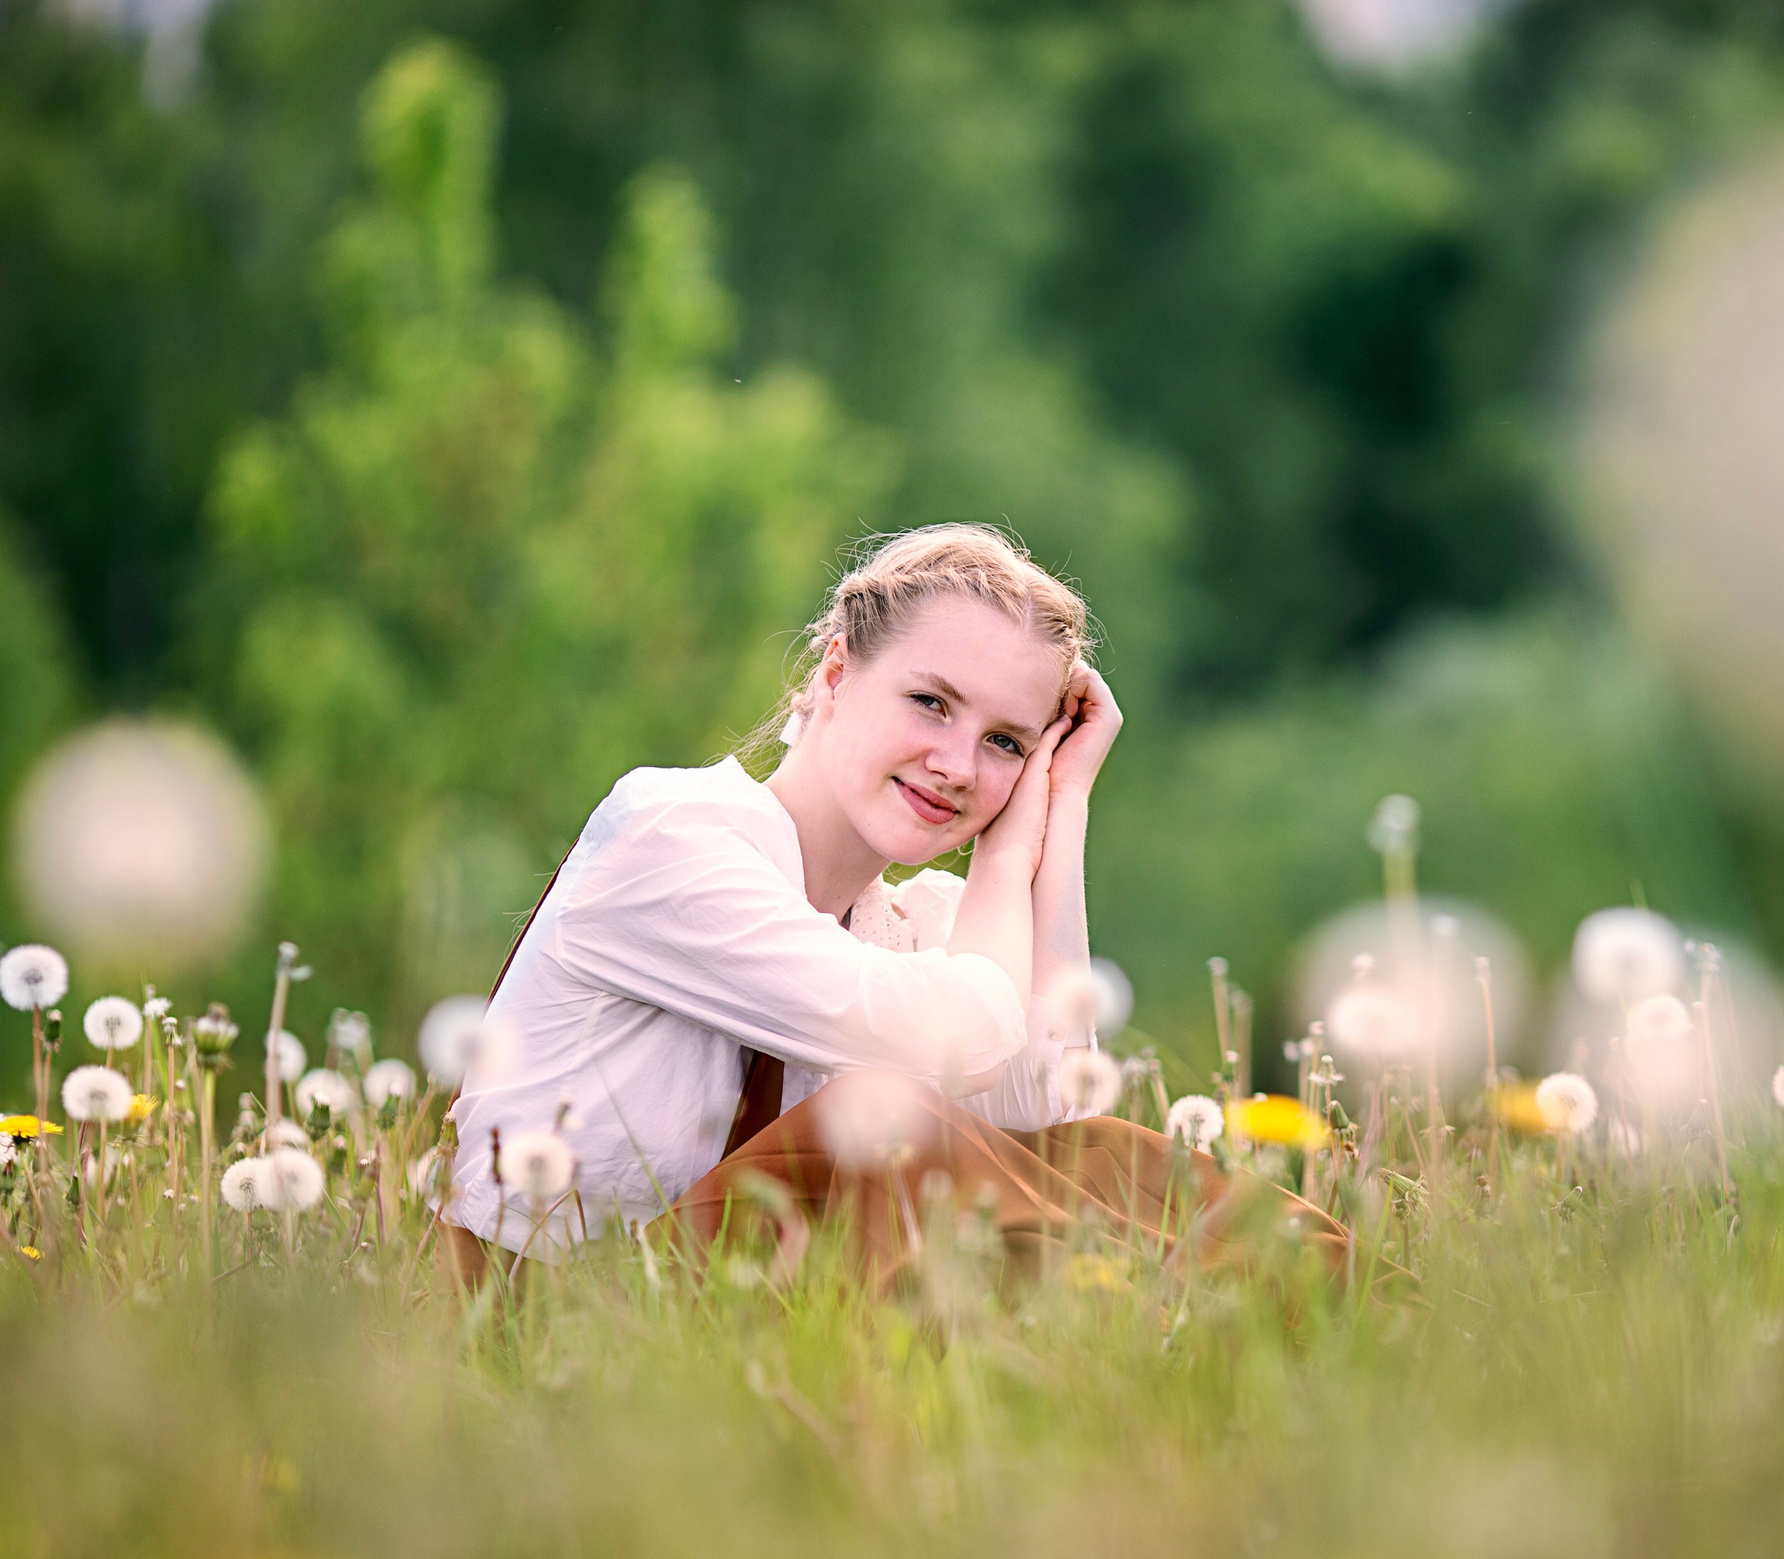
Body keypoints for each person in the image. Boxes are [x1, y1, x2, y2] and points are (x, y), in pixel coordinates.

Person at [438, 523, 1339, 1285]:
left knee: (1103, 1156)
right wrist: (1008, 853)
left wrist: (1059, 810)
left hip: (747, 1311)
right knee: (877, 1127)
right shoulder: (670, 838)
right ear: (834, 673)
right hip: (566, 1323)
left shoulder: (918, 930)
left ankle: (1336, 1311)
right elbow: (965, 1033)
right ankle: (1194, 1318)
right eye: (930, 703)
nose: (958, 764)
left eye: (1004, 742)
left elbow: (1055, 1111)